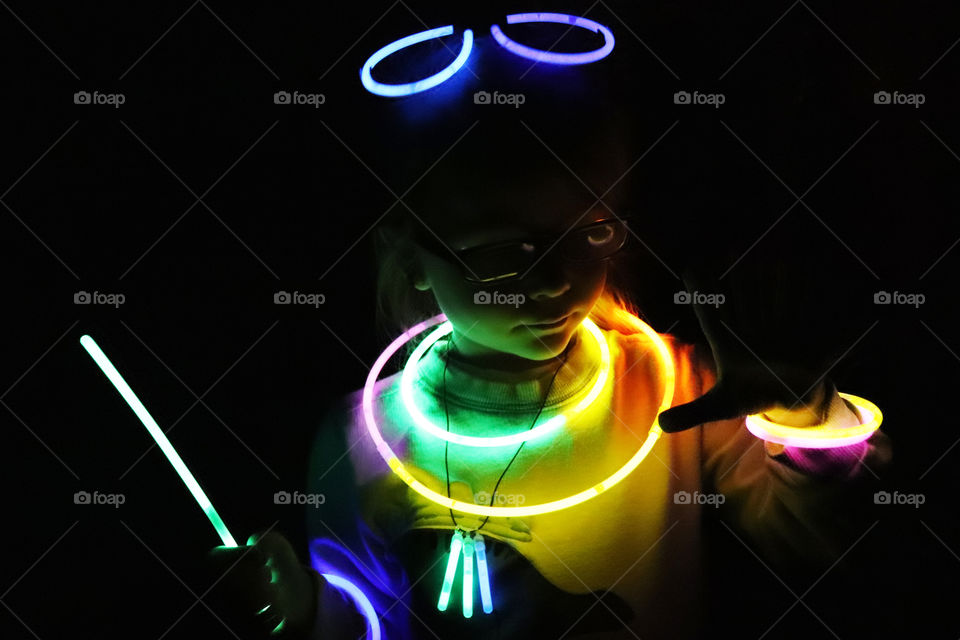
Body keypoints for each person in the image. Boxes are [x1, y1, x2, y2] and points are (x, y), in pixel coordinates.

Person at [206, 21, 892, 640]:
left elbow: (819, 545)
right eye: (506, 248)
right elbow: (363, 620)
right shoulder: (361, 437)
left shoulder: (671, 390)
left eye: (589, 231)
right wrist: (300, 613)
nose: (558, 281)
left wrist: (803, 418)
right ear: (414, 255)